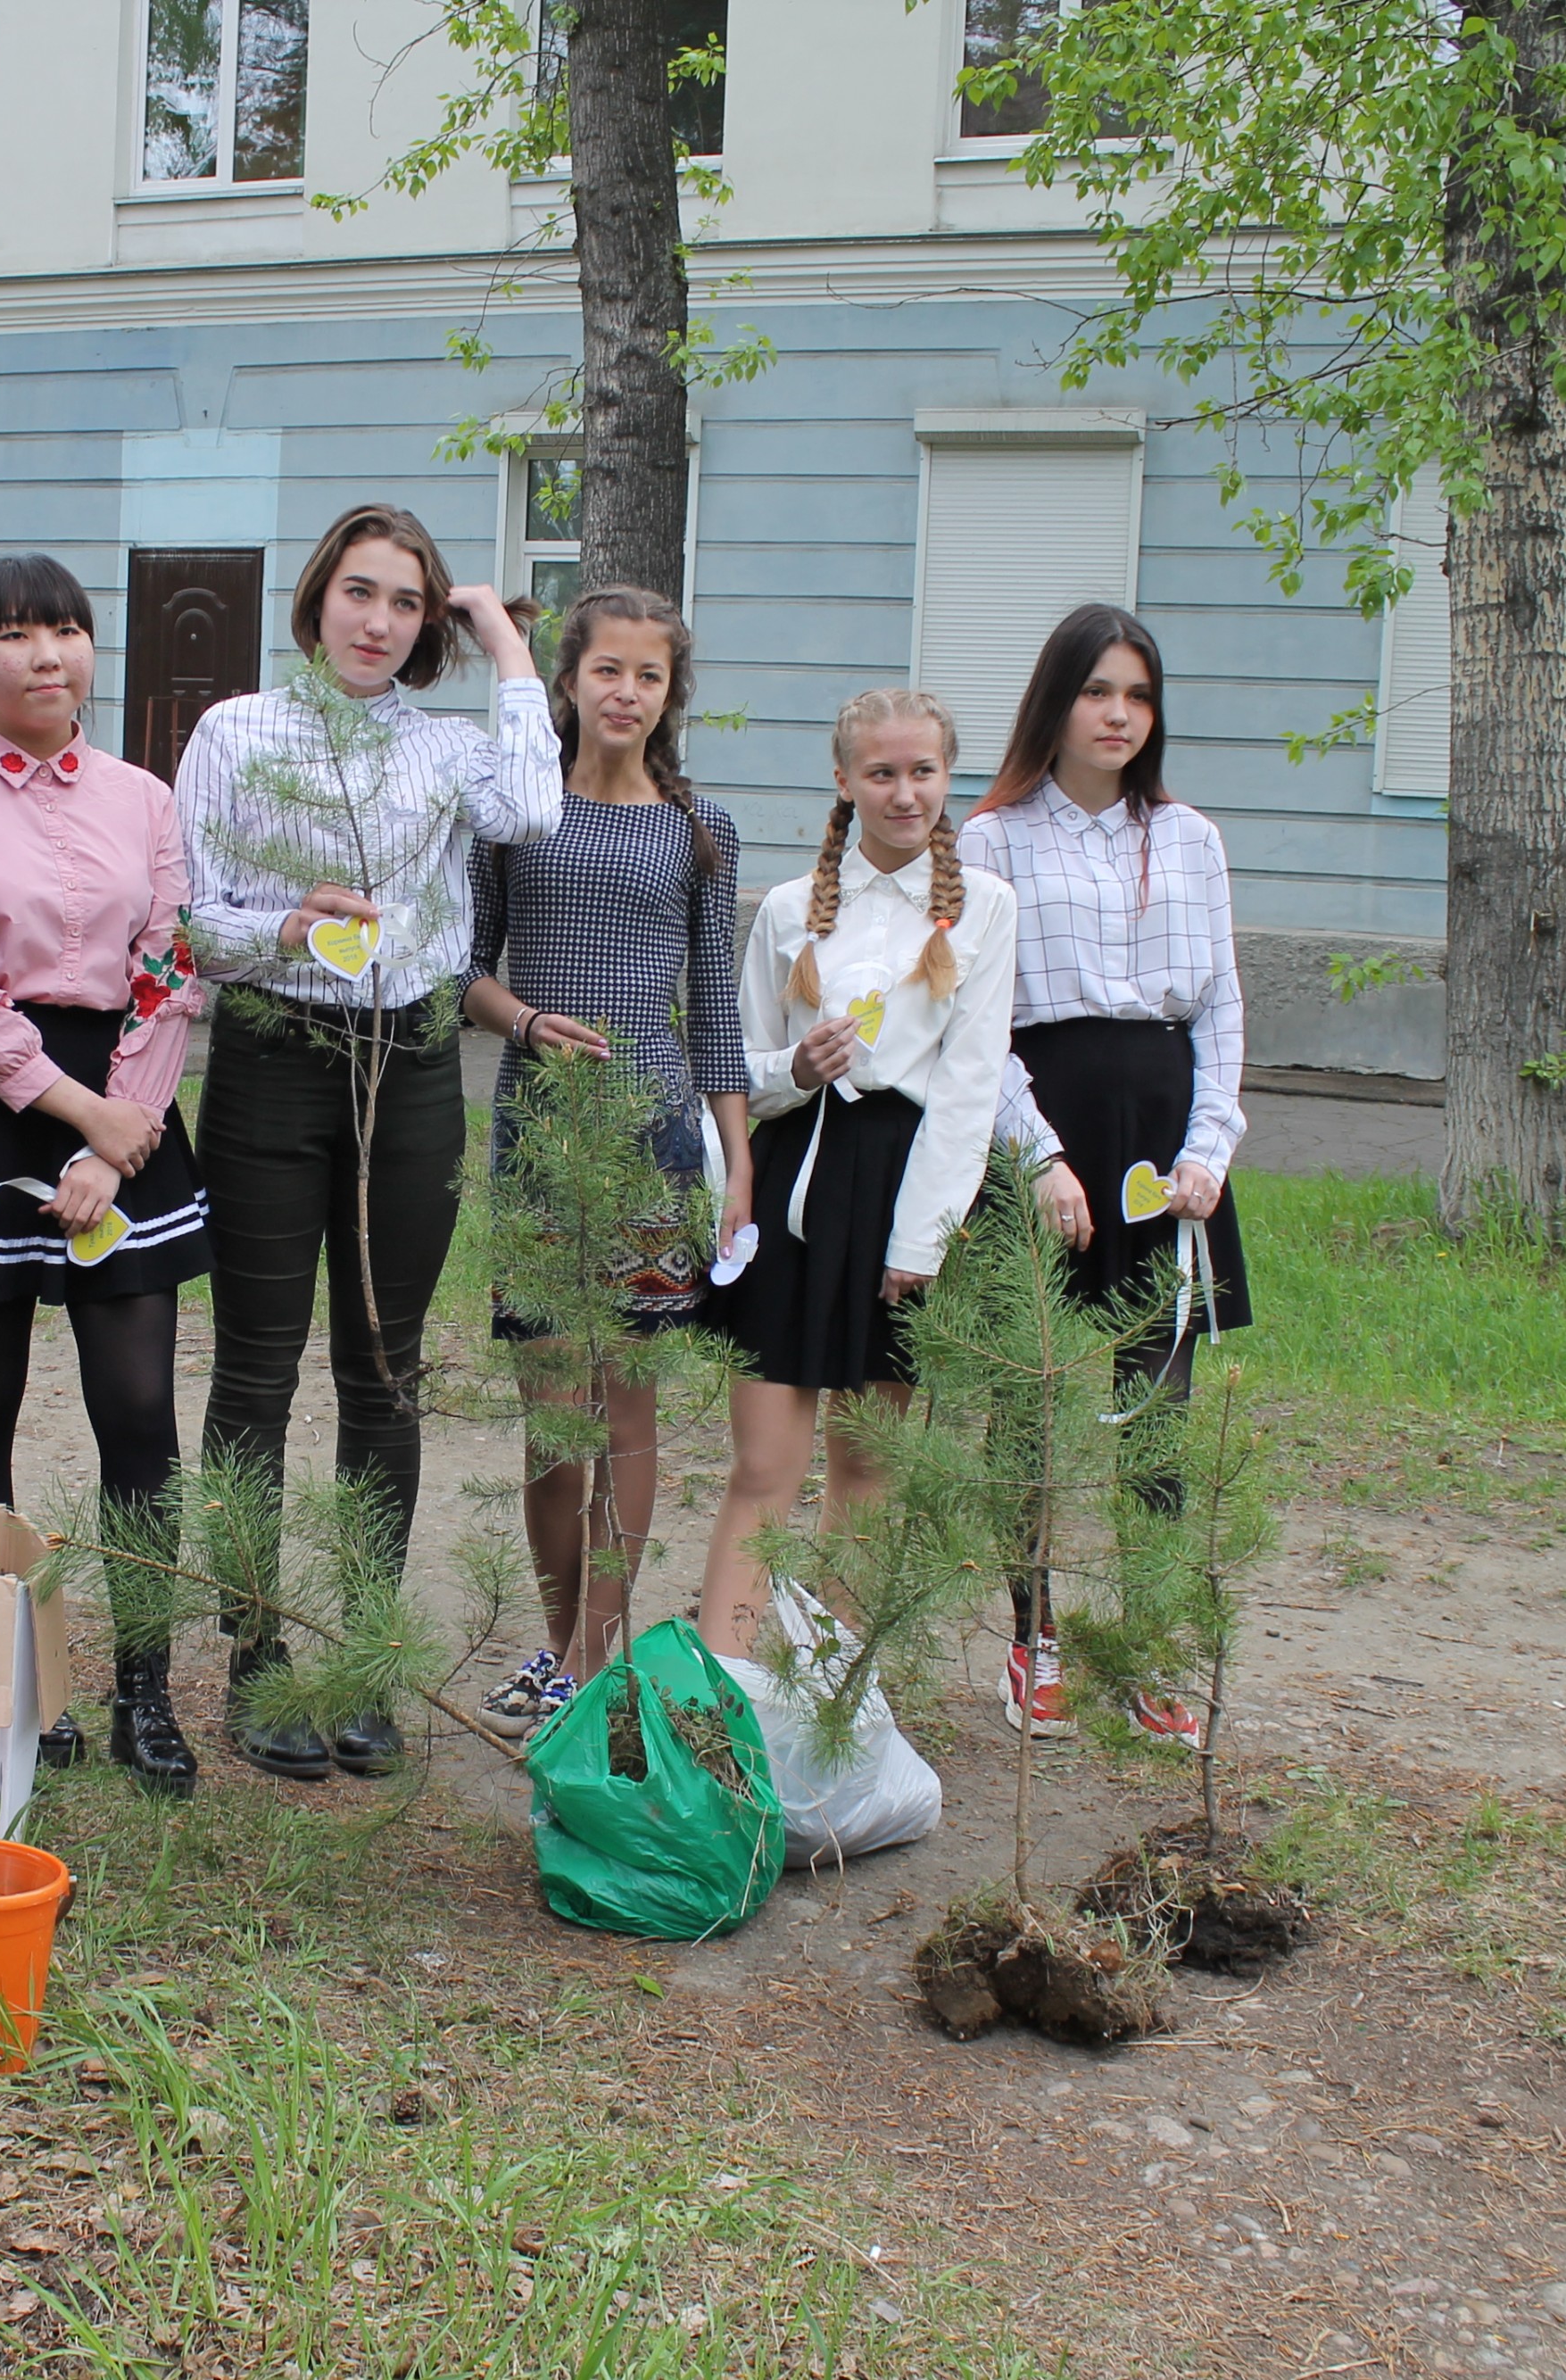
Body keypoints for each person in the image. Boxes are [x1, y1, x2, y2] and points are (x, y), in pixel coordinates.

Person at [179, 501, 558, 1779]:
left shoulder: (452, 751)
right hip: (273, 1064)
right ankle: (256, 1652)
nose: (379, 621)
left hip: (408, 1070)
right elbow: (189, 918)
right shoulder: (238, 732)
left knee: (385, 1372)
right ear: (317, 598)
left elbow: (537, 811)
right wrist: (285, 927)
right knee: (256, 1371)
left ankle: (364, 1655)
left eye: (407, 601)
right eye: (359, 591)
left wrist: (507, 643)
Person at [0, 553, 210, 1797]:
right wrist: (70, 1114)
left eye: (67, 630)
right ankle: (8, 1678)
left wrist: (117, 1130)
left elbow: (168, 967)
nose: (46, 654)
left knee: (139, 1413)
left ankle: (142, 1688)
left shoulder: (143, 796)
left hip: (129, 1106)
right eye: (15, 634)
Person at [957, 601, 1253, 1754]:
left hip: (1164, 1137)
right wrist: (1035, 1157)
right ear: (1056, 702)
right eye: (1097, 691)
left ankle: (1152, 1647)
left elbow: (1221, 999)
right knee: (1027, 1396)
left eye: (1137, 693)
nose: (1119, 713)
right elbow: (976, 1020)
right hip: (1044, 1127)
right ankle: (1034, 1639)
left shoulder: (1191, 837)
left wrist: (1209, 1147)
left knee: (1157, 1407)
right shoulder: (991, 839)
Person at [458, 585, 750, 1731]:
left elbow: (716, 1008)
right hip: (539, 1137)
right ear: (569, 680)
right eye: (608, 671)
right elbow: (465, 970)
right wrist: (527, 1022)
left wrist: (737, 1164)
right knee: (550, 1414)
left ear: (670, 696)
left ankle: (594, 1659)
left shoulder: (698, 829)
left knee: (627, 1406)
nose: (626, 693)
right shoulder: (515, 816)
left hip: (654, 1146)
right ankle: (551, 1639)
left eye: (650, 676)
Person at [698, 686, 1019, 1662]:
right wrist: (792, 1075)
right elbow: (735, 1066)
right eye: (880, 772)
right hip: (795, 1183)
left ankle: (830, 1704)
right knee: (764, 1467)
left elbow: (969, 1087)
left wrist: (920, 1239)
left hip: (898, 1189)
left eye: (922, 771)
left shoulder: (984, 911)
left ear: (946, 776)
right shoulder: (793, 912)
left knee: (866, 1469)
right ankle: (725, 1696)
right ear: (843, 780)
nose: (903, 792)